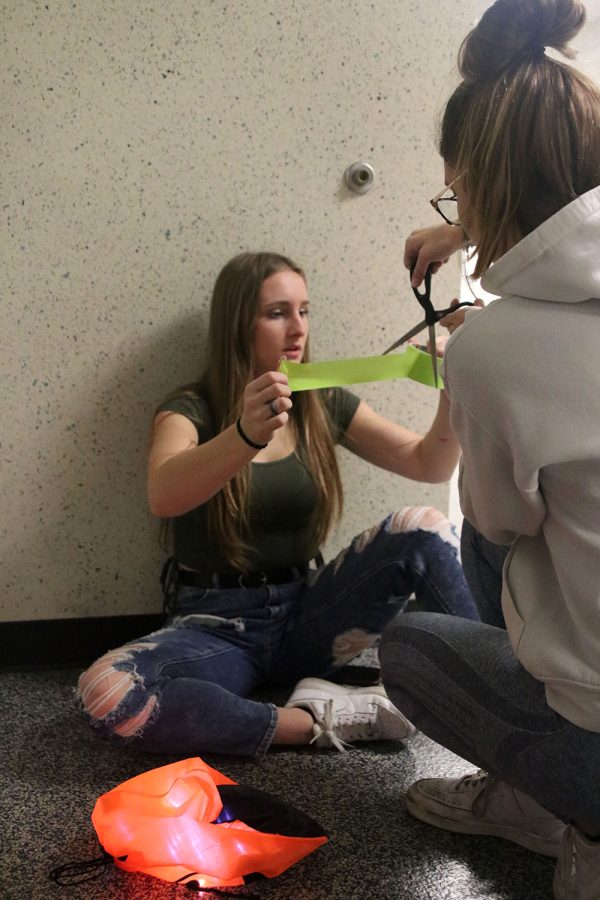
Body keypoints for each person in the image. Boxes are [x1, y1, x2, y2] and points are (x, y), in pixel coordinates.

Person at [78, 250, 478, 758]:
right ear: (236, 325)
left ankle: (494, 694)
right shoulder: (191, 408)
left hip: (310, 615)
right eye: (277, 313)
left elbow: (429, 465)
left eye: (304, 311)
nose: (297, 329)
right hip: (219, 628)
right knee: (108, 690)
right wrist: (244, 434)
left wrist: (455, 385)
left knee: (424, 527)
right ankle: (314, 719)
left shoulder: (321, 402)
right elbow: (164, 494)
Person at [378, 1, 600, 896]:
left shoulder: (493, 350)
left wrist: (476, 376)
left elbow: (498, 525)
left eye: (456, 192)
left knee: (414, 642)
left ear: (482, 187)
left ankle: (553, 806)